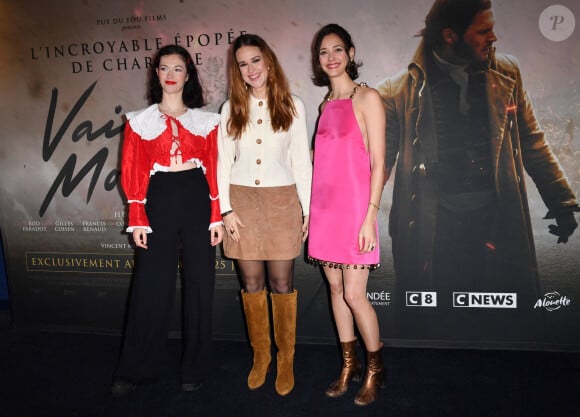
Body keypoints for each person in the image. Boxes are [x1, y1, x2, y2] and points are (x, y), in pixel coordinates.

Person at [378, 0, 578, 340]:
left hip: (498, 220)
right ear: (451, 35)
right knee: (435, 327)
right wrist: (356, 216)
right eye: (483, 30)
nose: (494, 37)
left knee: (506, 328)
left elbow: (531, 140)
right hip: (434, 229)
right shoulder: (398, 91)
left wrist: (561, 201)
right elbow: (380, 163)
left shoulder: (508, 72)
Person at [111, 44, 223, 397]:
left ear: (187, 75)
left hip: (196, 197)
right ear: (156, 74)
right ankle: (137, 368)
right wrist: (138, 217)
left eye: (178, 68)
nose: (171, 75)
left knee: (200, 284)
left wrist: (216, 215)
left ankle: (196, 367)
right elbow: (131, 170)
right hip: (157, 198)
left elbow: (216, 170)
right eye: (164, 68)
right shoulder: (138, 122)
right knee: (150, 285)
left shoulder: (207, 122)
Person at [217, 34, 312, 396]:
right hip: (241, 204)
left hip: (282, 202)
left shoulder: (294, 105)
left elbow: (301, 164)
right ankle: (262, 356)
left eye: (255, 60)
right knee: (251, 284)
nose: (251, 69)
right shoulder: (230, 109)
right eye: (243, 64)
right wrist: (225, 208)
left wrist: (307, 210)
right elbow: (223, 164)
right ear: (237, 71)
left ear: (268, 62)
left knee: (281, 284)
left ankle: (285, 358)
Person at [308, 24, 387, 406]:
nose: (331, 57)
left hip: (356, 210)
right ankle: (348, 365)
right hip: (324, 210)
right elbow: (320, 164)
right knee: (335, 290)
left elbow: (378, 162)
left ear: (351, 53)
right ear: (318, 61)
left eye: (337, 49)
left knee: (356, 294)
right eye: (324, 52)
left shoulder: (367, 97)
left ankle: (375, 369)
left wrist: (370, 216)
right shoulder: (324, 106)